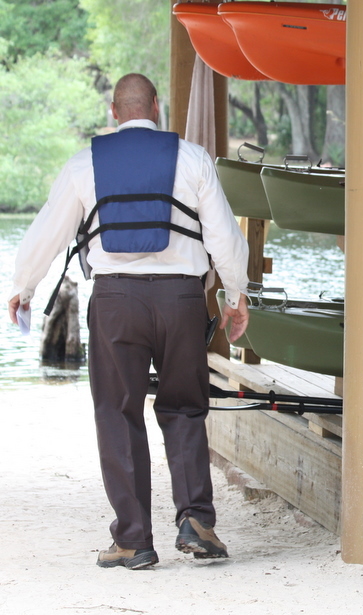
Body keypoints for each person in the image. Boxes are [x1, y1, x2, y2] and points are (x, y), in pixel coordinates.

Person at [7, 73, 250, 570]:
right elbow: (223, 235)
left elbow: (48, 231)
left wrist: (22, 287)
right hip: (183, 299)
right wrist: (236, 293)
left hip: (116, 299)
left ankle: (134, 539)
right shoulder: (193, 157)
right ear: (156, 107)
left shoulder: (84, 163)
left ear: (114, 112)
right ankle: (197, 522)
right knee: (184, 407)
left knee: (118, 413)